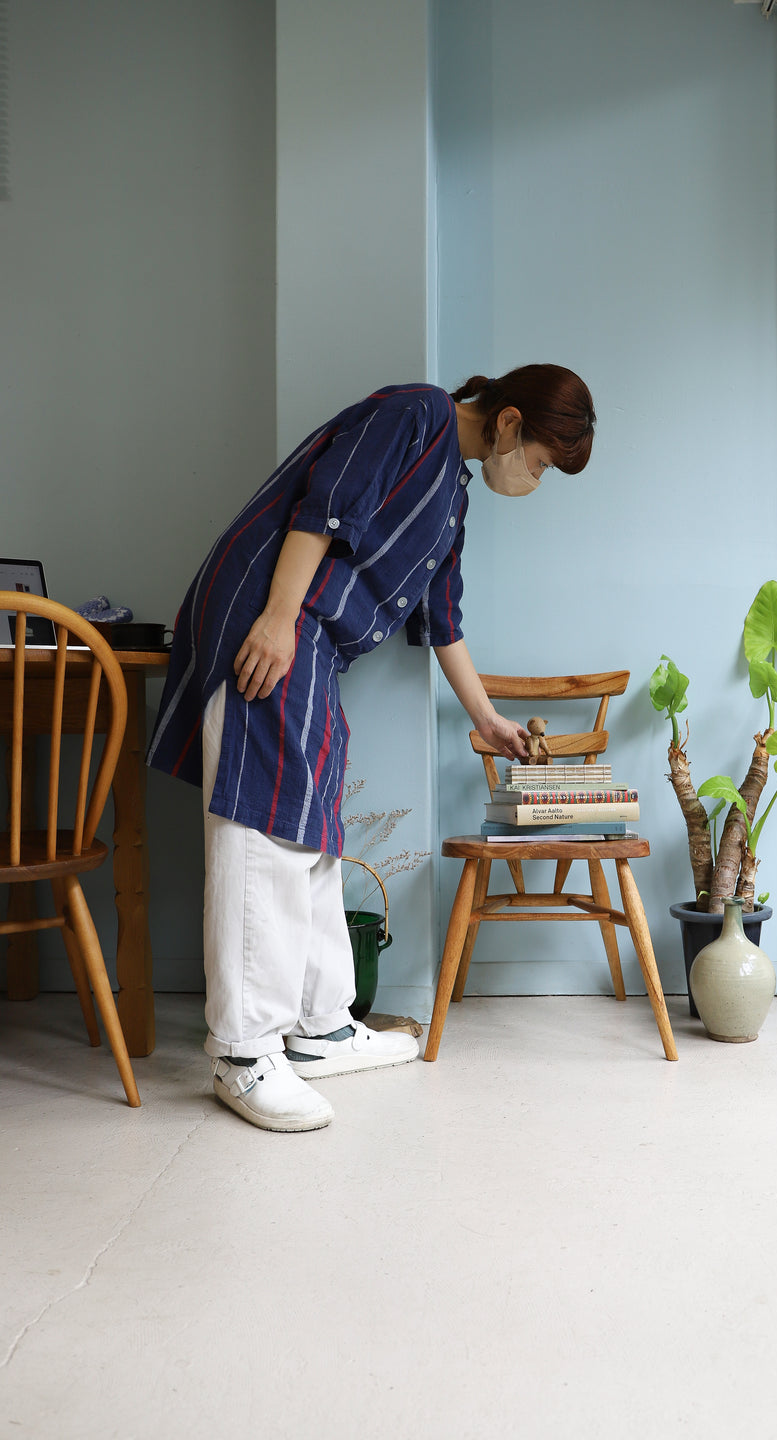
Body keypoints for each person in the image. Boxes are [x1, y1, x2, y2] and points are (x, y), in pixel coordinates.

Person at [147, 364, 596, 1131]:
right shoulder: (415, 413)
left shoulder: (451, 496)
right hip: (279, 614)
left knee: (314, 829)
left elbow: (441, 615)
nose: (534, 479)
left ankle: (320, 1027)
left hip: (317, 641)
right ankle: (244, 1051)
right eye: (542, 462)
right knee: (264, 829)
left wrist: (487, 719)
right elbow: (326, 508)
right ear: (510, 421)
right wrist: (279, 619)